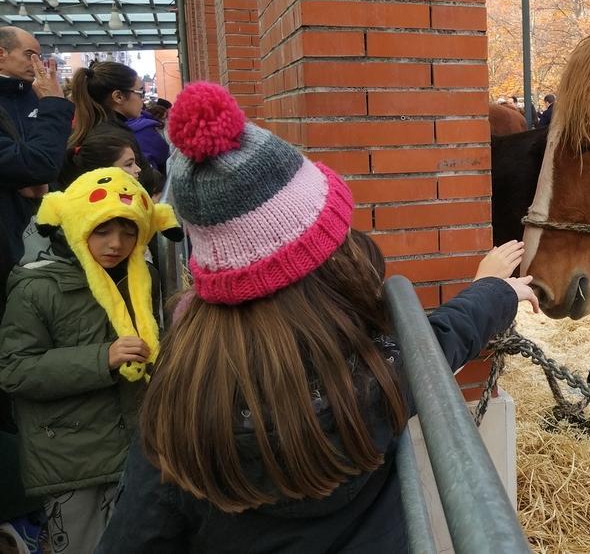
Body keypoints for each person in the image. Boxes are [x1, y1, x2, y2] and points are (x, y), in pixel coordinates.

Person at [96, 82, 538, 553]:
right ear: (327, 262)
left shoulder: (177, 405)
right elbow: (438, 340)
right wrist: (494, 291)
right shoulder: (375, 379)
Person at [0, 167, 179, 554]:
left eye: (129, 231)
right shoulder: (38, 288)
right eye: (102, 230)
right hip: (71, 459)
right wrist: (103, 358)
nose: (116, 244)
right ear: (77, 224)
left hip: (137, 448)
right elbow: (15, 370)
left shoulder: (143, 278)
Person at [20, 125, 164, 265]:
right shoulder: (68, 216)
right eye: (129, 164)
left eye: (129, 234)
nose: (116, 244)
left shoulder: (131, 206)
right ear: (103, 171)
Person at [0, 27, 72, 276]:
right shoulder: (47, 100)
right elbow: (39, 164)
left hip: (39, 233)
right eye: (29, 54)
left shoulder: (34, 96)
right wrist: (54, 104)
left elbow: (49, 161)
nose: (37, 63)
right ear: (2, 54)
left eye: (39, 56)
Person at [68, 62, 169, 175]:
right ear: (118, 97)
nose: (143, 99)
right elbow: (144, 181)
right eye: (141, 92)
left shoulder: (93, 129)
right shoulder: (115, 139)